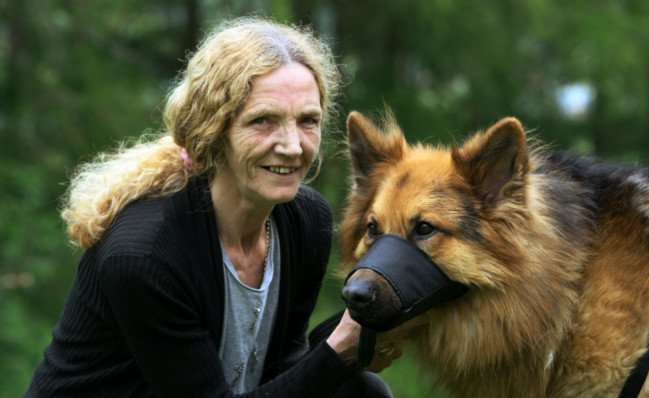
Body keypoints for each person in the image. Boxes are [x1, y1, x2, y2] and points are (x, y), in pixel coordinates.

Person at [24, 17, 400, 397]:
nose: (292, 146)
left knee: (362, 391)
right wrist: (337, 351)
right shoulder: (145, 254)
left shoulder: (307, 220)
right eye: (263, 121)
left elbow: (283, 363)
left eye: (307, 121)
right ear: (214, 129)